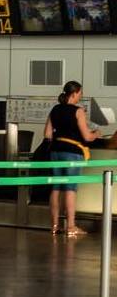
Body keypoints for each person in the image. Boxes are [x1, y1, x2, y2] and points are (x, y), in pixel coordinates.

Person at [44, 80, 100, 237]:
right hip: (73, 153)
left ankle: (54, 225)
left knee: (55, 188)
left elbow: (47, 134)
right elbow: (87, 137)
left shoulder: (55, 109)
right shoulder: (78, 111)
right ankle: (71, 226)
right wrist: (97, 133)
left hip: (55, 151)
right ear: (74, 93)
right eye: (80, 93)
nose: (80, 97)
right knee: (70, 189)